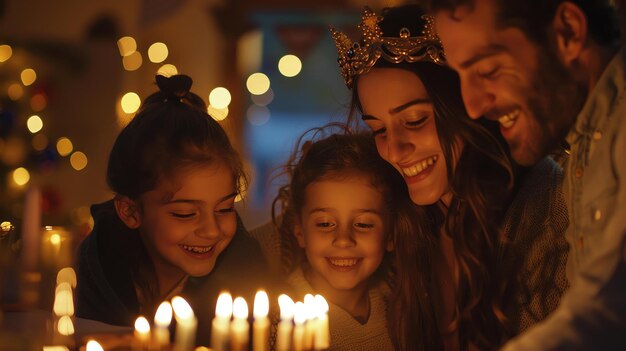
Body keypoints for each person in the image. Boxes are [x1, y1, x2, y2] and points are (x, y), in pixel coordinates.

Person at [331, 5, 569, 350]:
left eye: (414, 121)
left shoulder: (550, 210)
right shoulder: (401, 220)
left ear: (467, 109)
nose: (395, 151)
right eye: (378, 129)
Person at [426, 0, 626, 349]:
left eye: (487, 70)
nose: (473, 106)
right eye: (461, 76)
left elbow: (609, 313)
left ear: (569, 32)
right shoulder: (585, 140)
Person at [75, 74, 269, 340]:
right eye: (185, 213)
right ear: (130, 211)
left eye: (224, 209)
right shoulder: (95, 268)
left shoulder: (245, 270)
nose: (212, 231)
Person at [271, 128, 416, 350]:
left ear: (390, 234)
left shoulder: (402, 306)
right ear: (299, 231)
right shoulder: (278, 321)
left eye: (364, 224)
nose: (343, 240)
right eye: (325, 224)